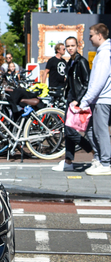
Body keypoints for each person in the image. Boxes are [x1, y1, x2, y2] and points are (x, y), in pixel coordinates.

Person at [53, 36, 93, 172]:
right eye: (68, 46)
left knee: (70, 131)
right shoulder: (71, 61)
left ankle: (93, 151)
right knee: (68, 131)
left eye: (72, 46)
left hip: (77, 101)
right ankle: (68, 162)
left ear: (78, 46)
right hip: (70, 100)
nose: (70, 48)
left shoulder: (81, 61)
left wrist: (78, 100)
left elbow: (87, 83)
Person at [77, 23, 111, 175]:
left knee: (100, 130)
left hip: (102, 98)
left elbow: (99, 80)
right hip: (99, 98)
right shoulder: (102, 52)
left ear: (99, 35)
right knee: (91, 129)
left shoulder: (104, 54)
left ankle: (105, 163)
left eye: (91, 35)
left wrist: (86, 100)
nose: (89, 38)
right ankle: (99, 158)